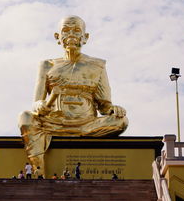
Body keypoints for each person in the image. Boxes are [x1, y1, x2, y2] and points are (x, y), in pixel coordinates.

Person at [18, 16, 128, 173]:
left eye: (76, 31)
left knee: (121, 121)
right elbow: (36, 103)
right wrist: (39, 105)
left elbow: (104, 106)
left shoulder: (98, 65)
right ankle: (38, 167)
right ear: (58, 37)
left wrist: (114, 109)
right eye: (65, 30)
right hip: (54, 122)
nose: (71, 34)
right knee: (25, 117)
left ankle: (73, 133)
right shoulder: (47, 65)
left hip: (86, 123)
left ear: (85, 37)